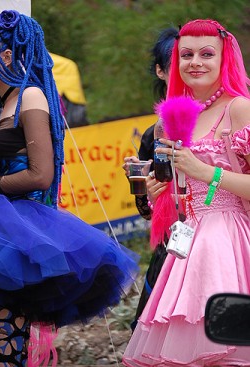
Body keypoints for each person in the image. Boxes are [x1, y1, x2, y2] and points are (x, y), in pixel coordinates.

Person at [0, 10, 139, 366]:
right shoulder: (6, 101)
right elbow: (9, 169)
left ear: (6, 56)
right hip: (5, 228)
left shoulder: (30, 96)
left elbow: (40, 176)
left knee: (5, 340)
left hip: (22, 232)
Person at [123, 18, 250, 366]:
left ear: (225, 59)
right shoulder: (171, 117)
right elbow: (178, 194)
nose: (195, 62)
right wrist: (155, 190)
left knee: (226, 347)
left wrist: (205, 171)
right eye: (186, 54)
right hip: (186, 244)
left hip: (230, 242)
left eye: (207, 54)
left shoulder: (239, 108)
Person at [123, 27, 177, 331]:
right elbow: (148, 213)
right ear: (160, 71)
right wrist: (144, 188)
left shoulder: (226, 121)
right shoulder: (153, 134)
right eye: (177, 64)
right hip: (171, 250)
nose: (190, 69)